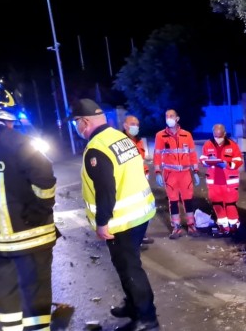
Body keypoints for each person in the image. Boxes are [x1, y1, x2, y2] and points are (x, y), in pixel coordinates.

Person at [72, 99, 159, 331]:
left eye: (76, 123)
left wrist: (102, 223)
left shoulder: (97, 148)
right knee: (125, 264)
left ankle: (146, 318)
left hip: (122, 220)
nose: (77, 128)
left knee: (130, 267)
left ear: (84, 121)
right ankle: (133, 305)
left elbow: (105, 189)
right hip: (139, 213)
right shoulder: (119, 138)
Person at [0, 108, 58, 331]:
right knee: (37, 287)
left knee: (6, 287)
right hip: (30, 234)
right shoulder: (16, 141)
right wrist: (41, 208)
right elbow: (45, 177)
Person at [153, 109, 200, 239]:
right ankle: (176, 227)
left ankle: (191, 225)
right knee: (173, 201)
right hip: (170, 174)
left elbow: (192, 154)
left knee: (188, 200)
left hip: (185, 173)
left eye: (171, 116)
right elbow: (157, 155)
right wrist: (157, 172)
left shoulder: (187, 135)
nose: (169, 118)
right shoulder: (160, 136)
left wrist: (195, 171)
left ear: (177, 118)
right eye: (167, 116)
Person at [200, 124, 244, 235]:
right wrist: (208, 161)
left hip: (229, 181)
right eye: (215, 136)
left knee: (230, 204)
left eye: (219, 136)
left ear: (224, 134)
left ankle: (233, 225)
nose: (217, 138)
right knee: (217, 204)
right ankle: (224, 226)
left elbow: (239, 161)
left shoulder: (232, 145)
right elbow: (203, 159)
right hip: (214, 181)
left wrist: (227, 164)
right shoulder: (208, 144)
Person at [122, 115, 154, 251]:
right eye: (132, 123)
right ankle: (134, 240)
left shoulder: (139, 141)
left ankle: (141, 235)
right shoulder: (121, 142)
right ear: (125, 125)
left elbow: (141, 161)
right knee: (132, 211)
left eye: (137, 124)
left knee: (142, 211)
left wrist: (146, 172)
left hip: (141, 180)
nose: (135, 126)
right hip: (129, 182)